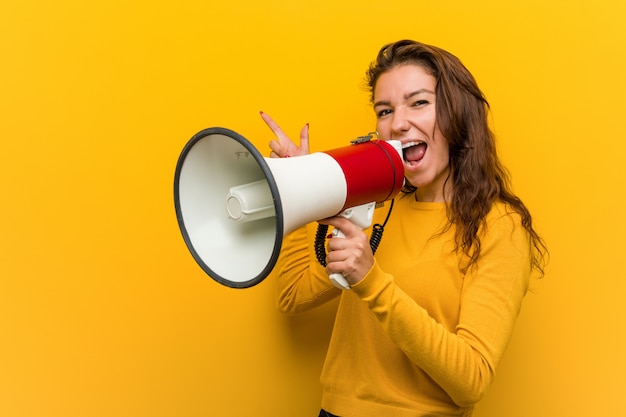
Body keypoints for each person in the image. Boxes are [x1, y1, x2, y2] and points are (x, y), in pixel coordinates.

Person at [260, 39, 548, 417]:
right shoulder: (378, 207)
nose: (397, 123)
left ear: (457, 113)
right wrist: (301, 191)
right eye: (385, 110)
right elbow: (293, 295)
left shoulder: (498, 227)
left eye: (418, 102)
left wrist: (371, 280)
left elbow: (471, 381)